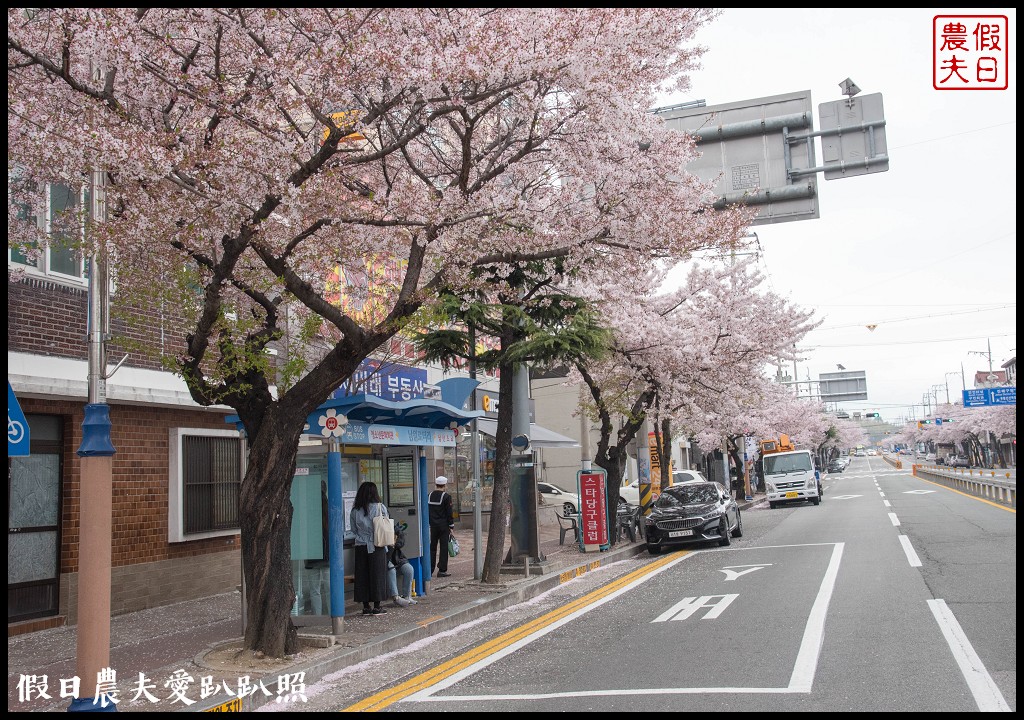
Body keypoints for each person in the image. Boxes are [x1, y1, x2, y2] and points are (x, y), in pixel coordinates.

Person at [349, 481, 389, 616]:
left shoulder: (355, 510)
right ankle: (377, 606)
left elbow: (353, 529)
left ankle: (366, 606)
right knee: (378, 574)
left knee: (362, 575)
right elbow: (385, 524)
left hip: (361, 546)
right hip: (377, 545)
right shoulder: (380, 507)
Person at [427, 475, 455, 578]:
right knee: (443, 548)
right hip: (443, 526)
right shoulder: (446, 497)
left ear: (436, 484)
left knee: (432, 547)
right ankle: (442, 570)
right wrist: (451, 526)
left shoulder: (429, 495)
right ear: (444, 485)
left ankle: (429, 569)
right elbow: (449, 512)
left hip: (432, 526)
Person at [387, 519, 417, 607]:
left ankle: (407, 596)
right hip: (385, 559)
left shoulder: (392, 527)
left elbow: (400, 538)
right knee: (391, 569)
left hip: (396, 558)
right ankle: (396, 597)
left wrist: (395, 542)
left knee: (409, 569)